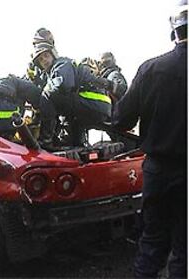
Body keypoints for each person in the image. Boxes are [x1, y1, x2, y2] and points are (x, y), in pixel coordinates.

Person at [113, 1, 187, 277]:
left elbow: (121, 119)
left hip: (158, 172)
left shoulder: (150, 69)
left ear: (173, 30)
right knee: (185, 250)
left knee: (153, 245)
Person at [34, 42, 117, 148]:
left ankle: (45, 140)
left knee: (47, 95)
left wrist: (43, 93)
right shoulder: (52, 72)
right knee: (71, 125)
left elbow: (64, 85)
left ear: (53, 54)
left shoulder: (61, 64)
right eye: (41, 59)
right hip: (97, 105)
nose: (44, 60)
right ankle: (78, 146)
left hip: (93, 101)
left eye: (46, 56)